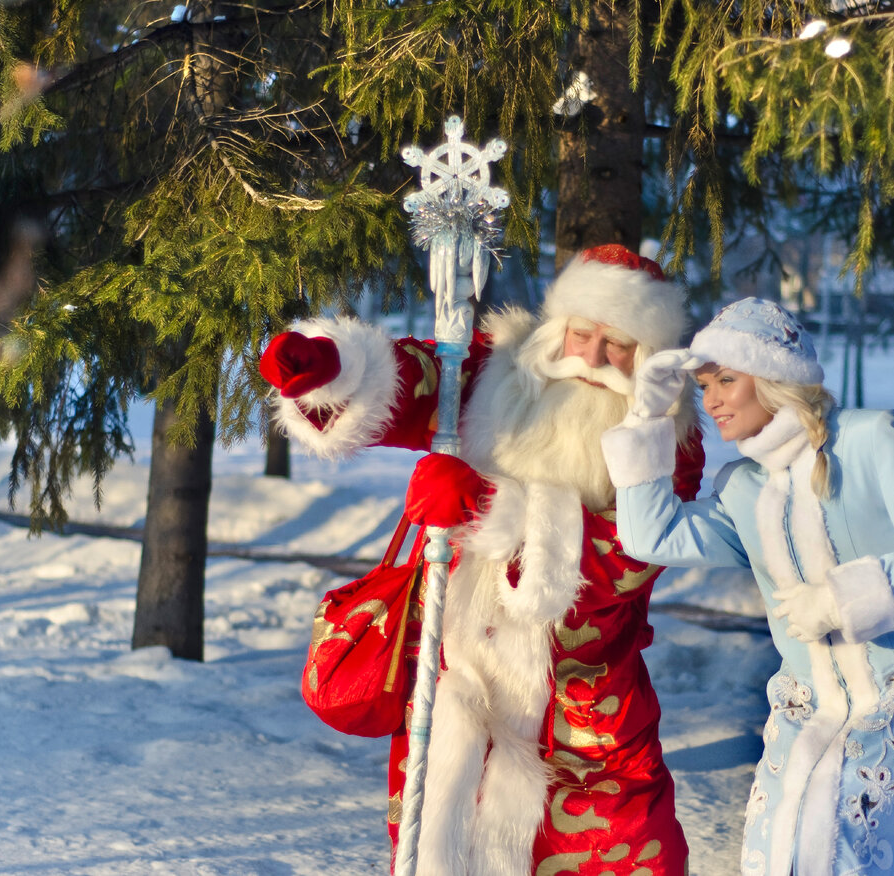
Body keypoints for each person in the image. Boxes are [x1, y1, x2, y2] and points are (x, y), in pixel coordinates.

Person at [259, 244, 705, 876]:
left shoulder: (667, 438)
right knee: (443, 844)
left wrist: (487, 506)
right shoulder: (496, 369)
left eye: (621, 345)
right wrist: (329, 368)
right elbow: (416, 380)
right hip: (453, 681)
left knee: (621, 854)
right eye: (583, 333)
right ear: (558, 327)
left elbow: (629, 556)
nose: (596, 358)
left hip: (583, 711)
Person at [599, 297, 894, 876]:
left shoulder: (871, 439)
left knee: (849, 846)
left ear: (775, 379)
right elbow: (651, 536)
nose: (710, 401)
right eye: (702, 386)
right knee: (774, 847)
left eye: (726, 380)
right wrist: (647, 418)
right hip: (806, 703)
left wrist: (842, 599)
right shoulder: (743, 486)